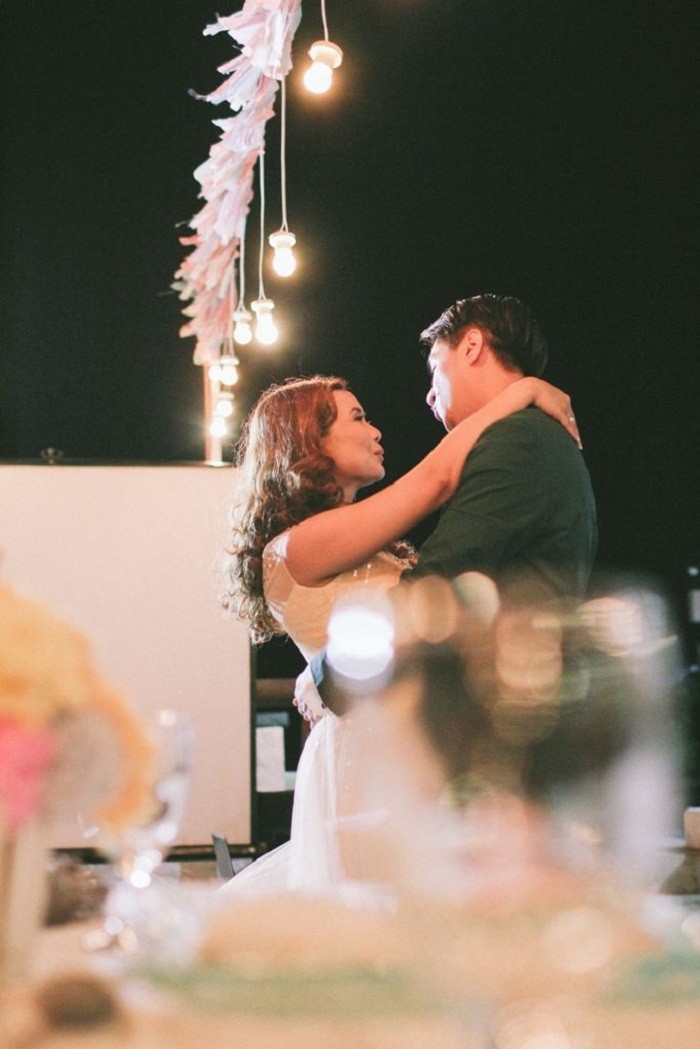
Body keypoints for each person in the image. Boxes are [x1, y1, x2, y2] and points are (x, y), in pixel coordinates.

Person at [218, 369, 580, 898]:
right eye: (358, 418)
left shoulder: (342, 541)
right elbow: (437, 479)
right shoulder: (297, 545)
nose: (376, 431)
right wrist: (521, 392)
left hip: (399, 739)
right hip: (369, 749)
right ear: (309, 441)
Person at [308, 293, 597, 707]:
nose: (430, 396)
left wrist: (324, 672)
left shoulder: (517, 441)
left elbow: (438, 585)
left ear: (472, 346)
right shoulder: (533, 434)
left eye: (434, 369)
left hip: (505, 707)